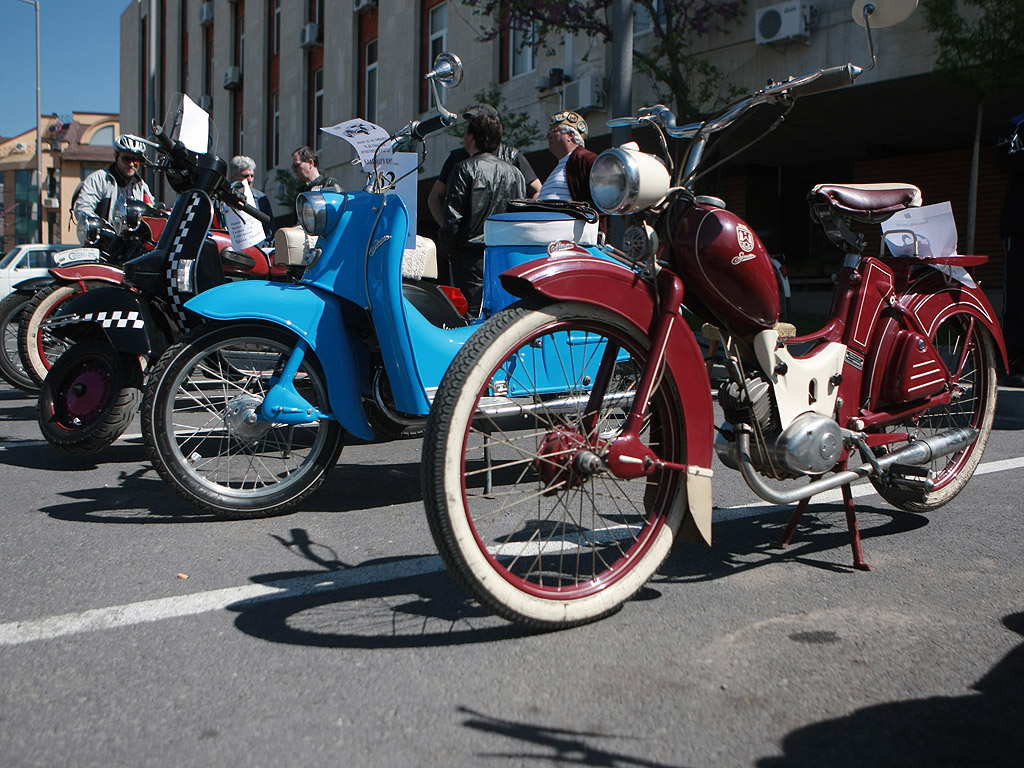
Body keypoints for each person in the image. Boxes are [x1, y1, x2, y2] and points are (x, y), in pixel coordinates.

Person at [438, 109, 526, 315]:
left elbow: (453, 217)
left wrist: (447, 249)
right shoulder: (515, 173)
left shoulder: (463, 169)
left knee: (470, 314)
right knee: (504, 314)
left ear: (471, 137)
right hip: (505, 253)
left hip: (470, 256)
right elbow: (520, 215)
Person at [427, 103, 540, 227]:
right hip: (469, 241)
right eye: (472, 124)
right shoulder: (458, 160)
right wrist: (445, 227)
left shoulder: (512, 156)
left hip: (502, 236)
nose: (473, 128)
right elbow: (435, 196)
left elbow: (538, 190)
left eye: (478, 122)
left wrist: (520, 220)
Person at [997, 113, 1024, 388]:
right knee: (1018, 296)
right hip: (1019, 226)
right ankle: (1013, 363)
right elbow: (1003, 159)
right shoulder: (1018, 123)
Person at [73, 134, 155, 223]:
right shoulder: (100, 179)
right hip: (105, 235)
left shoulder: (142, 187)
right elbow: (83, 208)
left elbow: (151, 212)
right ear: (116, 156)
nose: (131, 164)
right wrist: (96, 225)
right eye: (126, 159)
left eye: (136, 160)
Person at [537, 110, 598, 207]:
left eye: (553, 131)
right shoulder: (563, 164)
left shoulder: (584, 158)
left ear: (570, 135)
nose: (548, 136)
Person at [228, 155, 275, 243]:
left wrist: (266, 246)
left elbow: (270, 229)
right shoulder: (222, 199)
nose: (250, 180)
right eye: (245, 176)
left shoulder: (261, 198)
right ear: (233, 176)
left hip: (257, 250)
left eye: (252, 176)